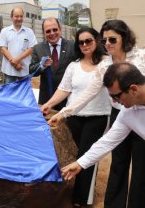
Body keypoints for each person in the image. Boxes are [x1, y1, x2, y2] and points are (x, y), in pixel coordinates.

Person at [49, 20, 145, 208]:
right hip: (127, 114)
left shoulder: (141, 57)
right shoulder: (106, 68)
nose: (107, 43)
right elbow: (105, 141)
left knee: (141, 168)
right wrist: (64, 113)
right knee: (118, 163)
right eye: (104, 40)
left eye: (112, 39)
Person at [41, 27, 110, 207]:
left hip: (97, 116)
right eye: (81, 42)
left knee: (88, 156)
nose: (85, 45)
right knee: (73, 156)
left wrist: (63, 113)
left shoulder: (106, 64)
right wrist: (49, 103)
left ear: (96, 41)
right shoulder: (73, 66)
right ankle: (71, 194)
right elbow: (64, 89)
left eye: (88, 41)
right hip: (74, 117)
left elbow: (91, 93)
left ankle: (82, 199)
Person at [62, 63, 145, 208]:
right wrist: (80, 163)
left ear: (133, 89)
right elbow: (107, 141)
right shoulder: (127, 113)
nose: (113, 101)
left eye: (116, 96)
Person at [29, 17, 75, 109]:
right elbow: (31, 70)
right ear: (43, 32)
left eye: (55, 30)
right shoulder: (38, 48)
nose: (52, 33)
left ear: (60, 29)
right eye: (48, 31)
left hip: (68, 98)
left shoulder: (72, 46)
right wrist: (41, 65)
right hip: (46, 98)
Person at [0, 7, 37, 84]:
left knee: (24, 93)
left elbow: (31, 49)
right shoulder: (5, 31)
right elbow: (3, 49)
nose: (19, 18)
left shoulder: (29, 32)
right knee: (9, 93)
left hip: (24, 69)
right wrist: (15, 63)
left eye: (21, 16)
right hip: (9, 70)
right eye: (16, 16)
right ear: (11, 17)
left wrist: (16, 60)